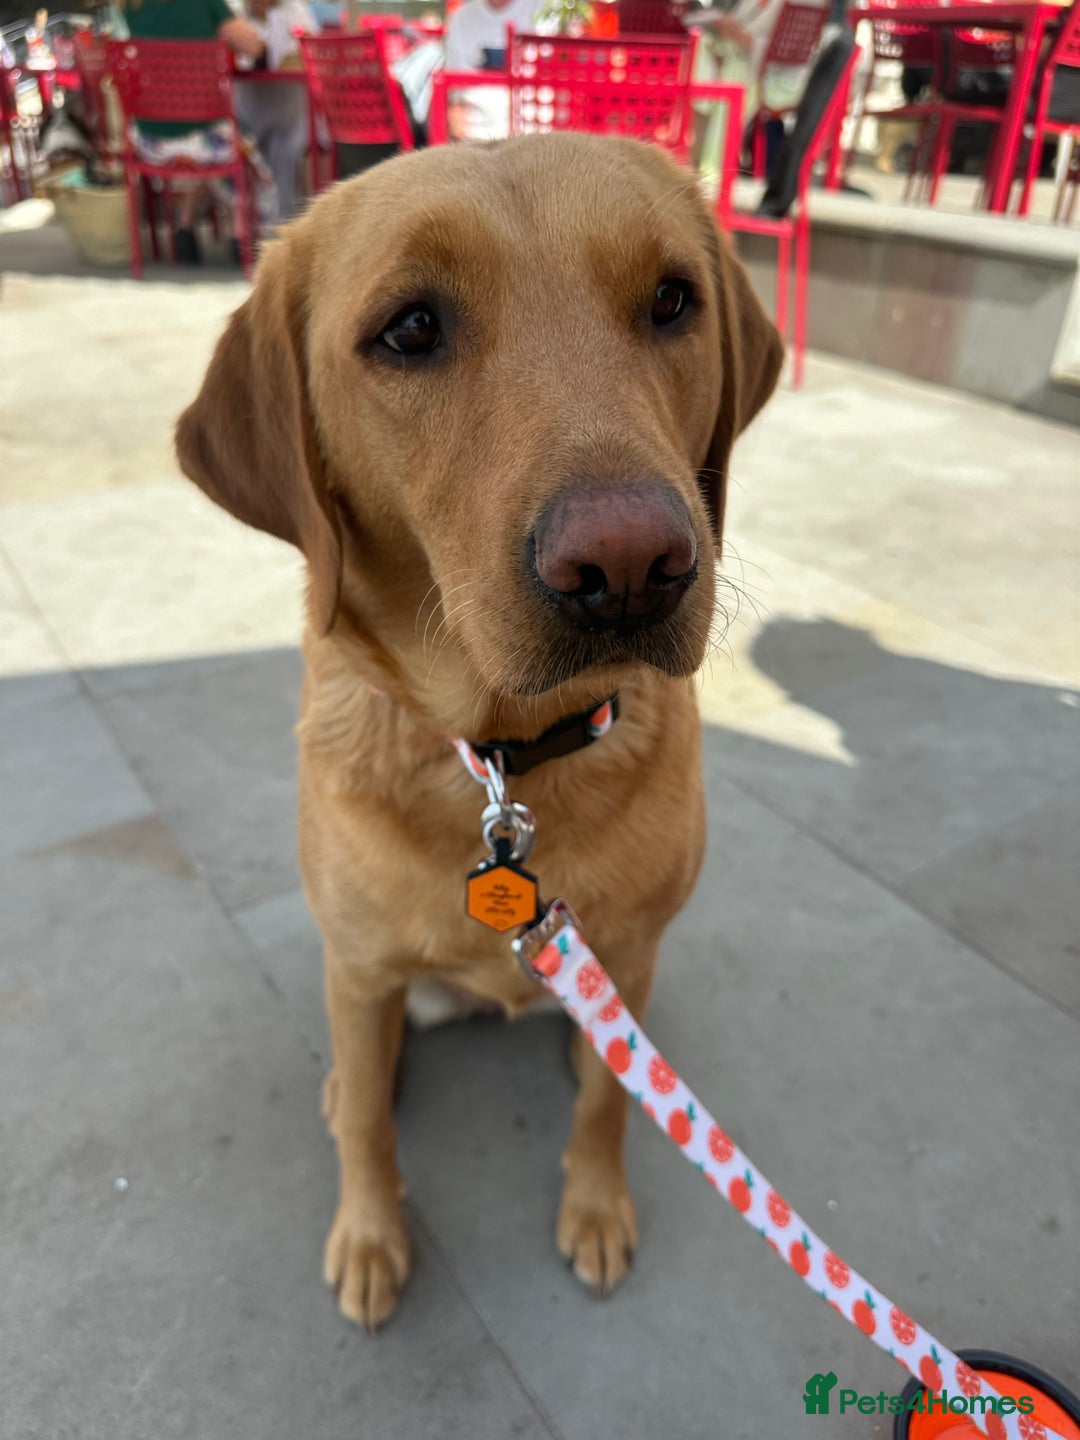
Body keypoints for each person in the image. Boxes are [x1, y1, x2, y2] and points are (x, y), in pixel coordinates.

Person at [123, 0, 268, 261]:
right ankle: (238, 233)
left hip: (151, 140)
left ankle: (185, 226)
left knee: (196, 144)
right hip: (203, 138)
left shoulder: (131, 6)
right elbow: (253, 47)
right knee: (241, 139)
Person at [234, 0, 318, 224]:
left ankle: (279, 220)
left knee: (288, 144)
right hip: (247, 107)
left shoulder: (296, 10)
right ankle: (250, 223)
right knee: (246, 148)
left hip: (287, 106)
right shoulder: (235, 12)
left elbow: (312, 51)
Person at [442, 0, 548, 140]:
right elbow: (454, 102)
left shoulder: (547, 12)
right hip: (477, 139)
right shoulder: (460, 18)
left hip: (535, 136)